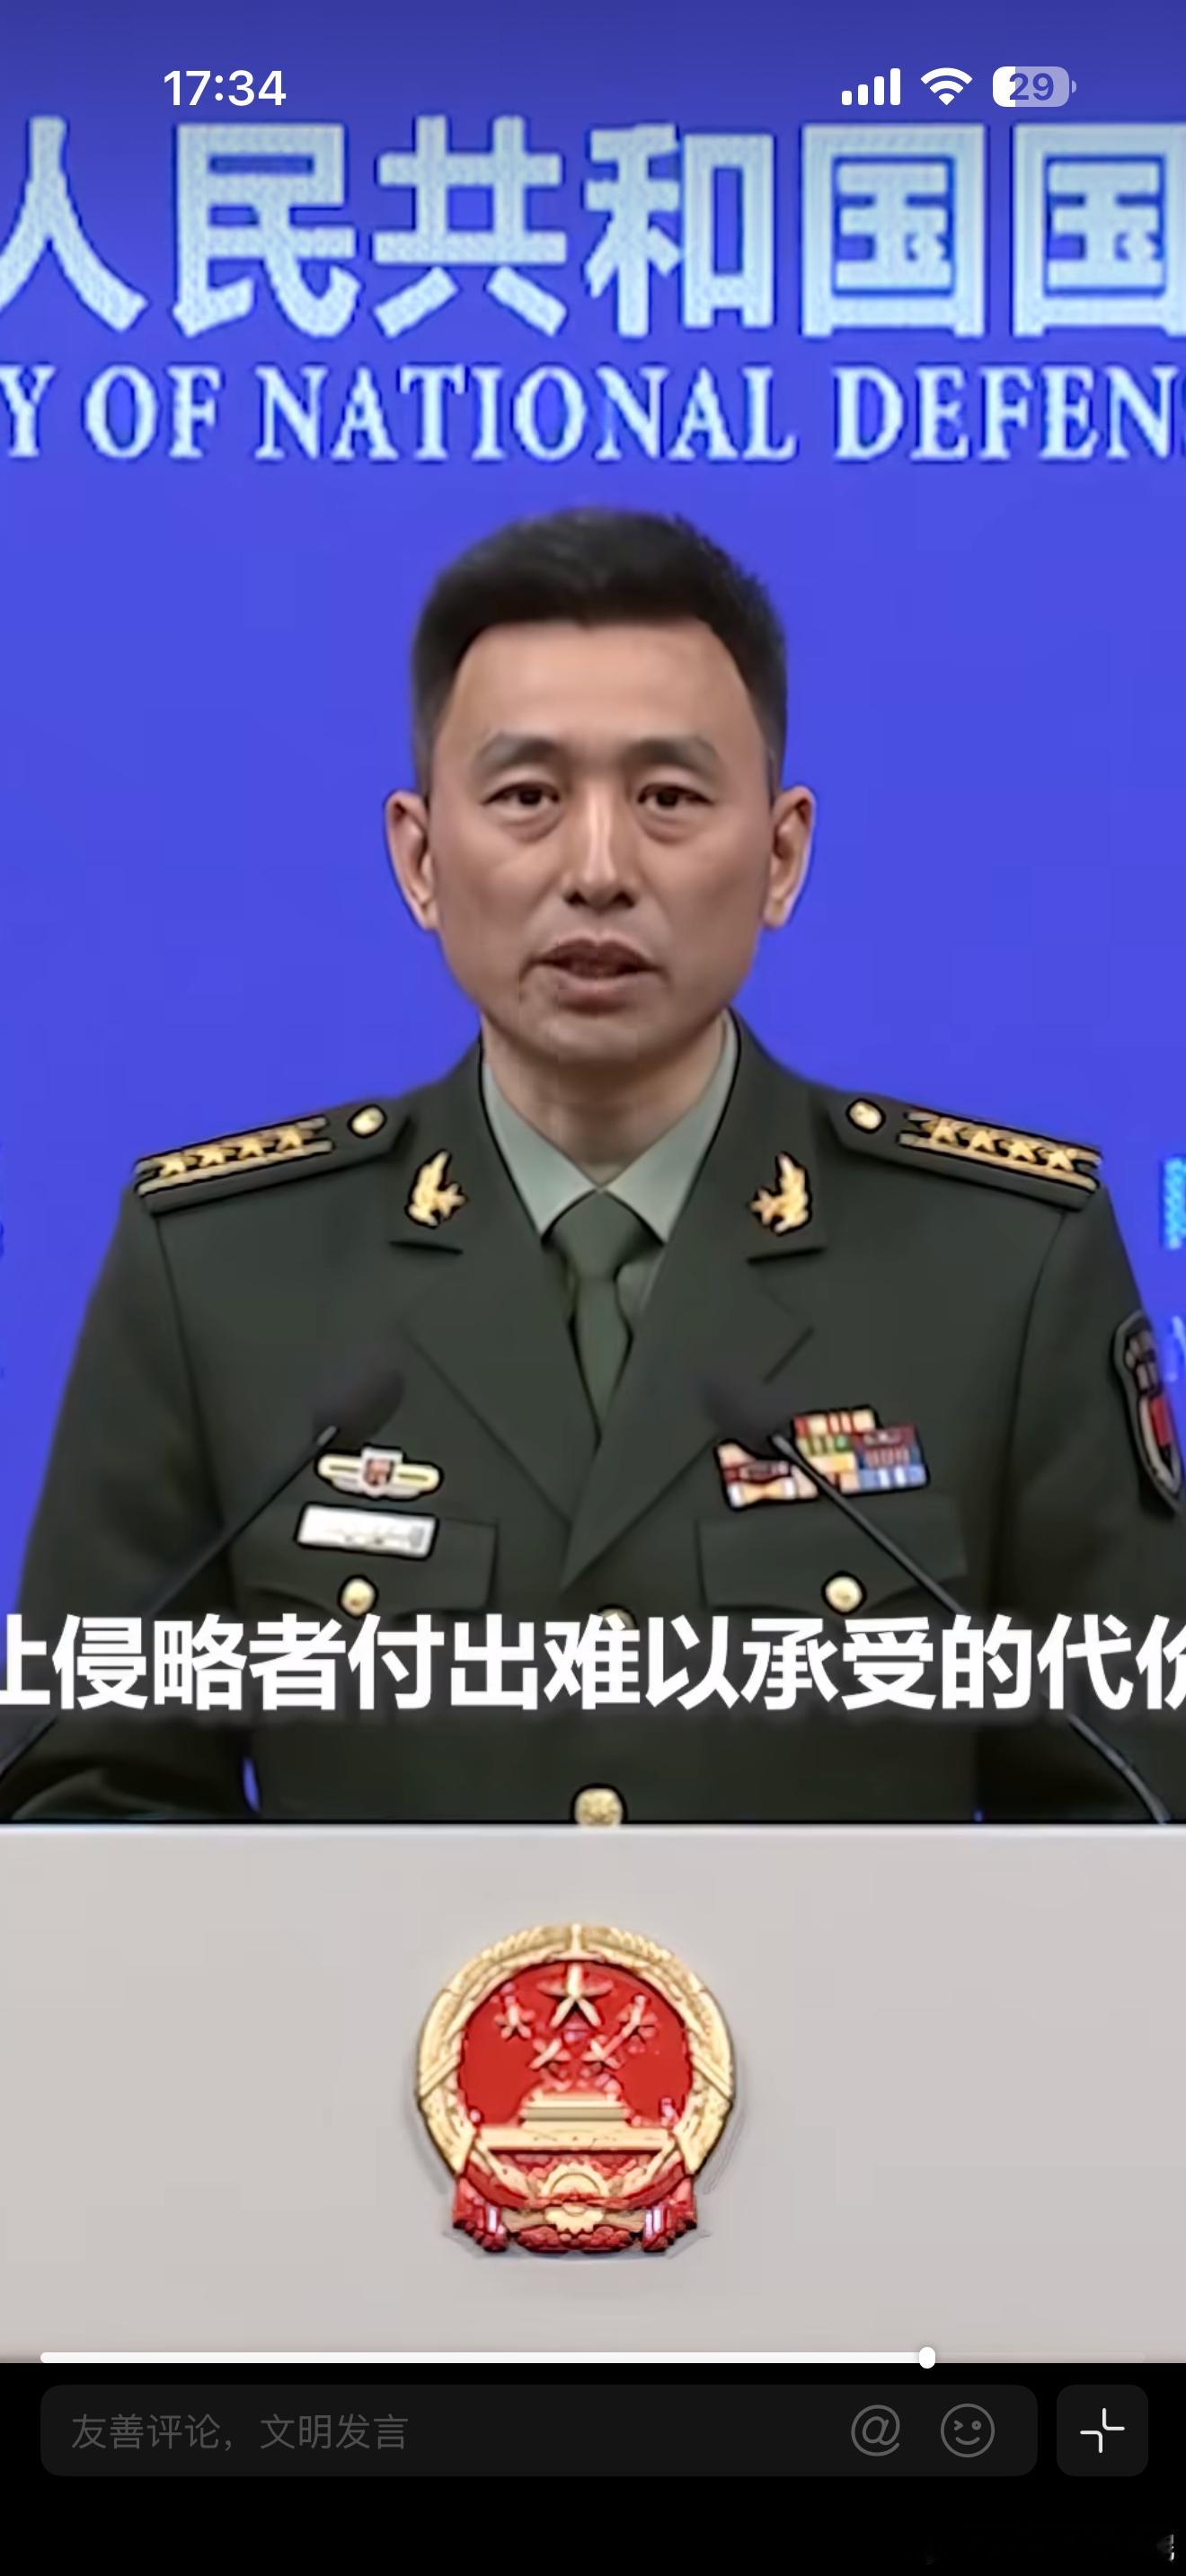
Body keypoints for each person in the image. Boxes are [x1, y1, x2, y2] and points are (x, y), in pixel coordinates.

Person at [3, 506, 1184, 1825]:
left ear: (781, 855)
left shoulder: (1005, 1266)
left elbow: (1136, 1822)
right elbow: (84, 1802)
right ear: (420, 858)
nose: (599, 869)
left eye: (669, 799)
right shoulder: (219, 1271)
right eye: (528, 798)